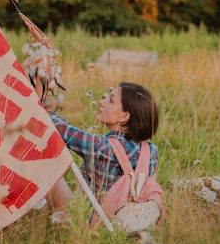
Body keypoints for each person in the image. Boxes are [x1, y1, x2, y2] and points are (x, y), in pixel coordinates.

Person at [37, 81, 160, 213]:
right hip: (127, 221)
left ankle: (37, 205)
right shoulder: (151, 151)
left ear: (124, 116)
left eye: (111, 100)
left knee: (45, 164)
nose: (102, 102)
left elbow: (61, 129)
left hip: (92, 225)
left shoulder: (103, 147)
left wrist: (41, 103)